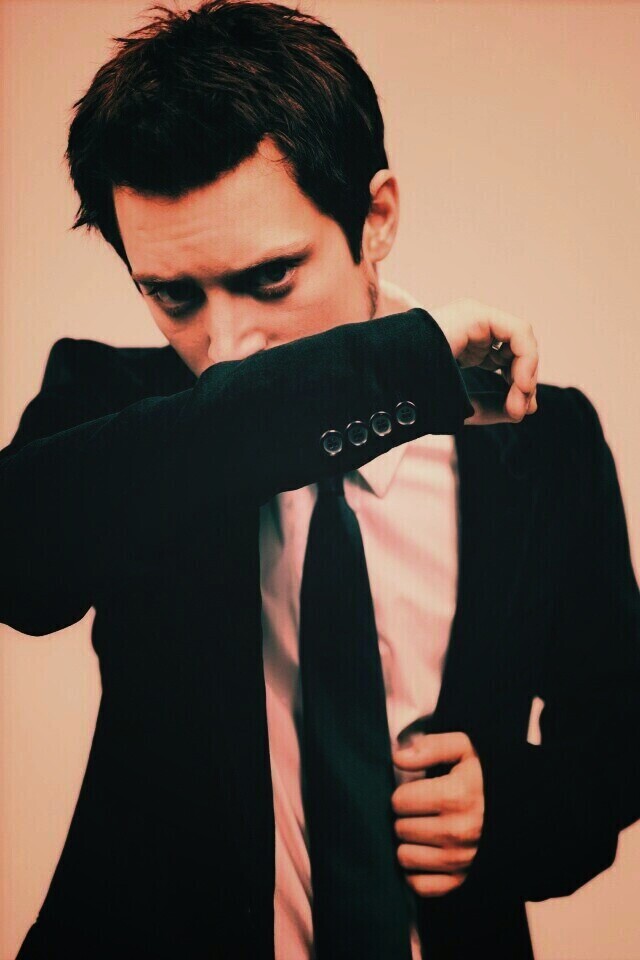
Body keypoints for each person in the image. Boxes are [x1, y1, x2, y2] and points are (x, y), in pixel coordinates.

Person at [3, 2, 638, 958]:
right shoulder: (113, 411)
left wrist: (512, 806)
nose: (226, 349)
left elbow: (620, 733)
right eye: (173, 295)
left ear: (376, 218)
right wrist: (393, 370)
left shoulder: (544, 443)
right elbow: (19, 562)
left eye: (270, 280)